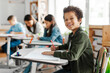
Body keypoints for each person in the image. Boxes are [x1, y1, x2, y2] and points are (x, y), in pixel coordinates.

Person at [42, 6, 94, 73]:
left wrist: (53, 53)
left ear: (79, 20)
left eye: (71, 18)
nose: (68, 21)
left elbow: (72, 55)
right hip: (72, 68)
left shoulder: (81, 35)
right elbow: (68, 45)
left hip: (80, 70)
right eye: (66, 20)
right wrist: (57, 48)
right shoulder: (72, 34)